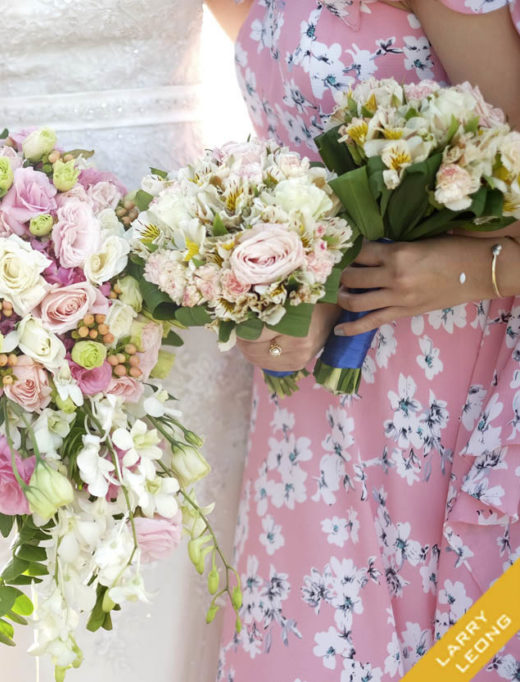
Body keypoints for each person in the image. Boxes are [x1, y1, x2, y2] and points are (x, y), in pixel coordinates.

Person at [0, 2, 254, 679]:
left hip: (176, 274)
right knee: (9, 566)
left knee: (178, 550)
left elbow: (283, 48)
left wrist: (271, 225)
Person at [209, 2, 520, 679]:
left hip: (442, 394)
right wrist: (288, 296)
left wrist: (470, 269)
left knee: (444, 653)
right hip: (311, 415)